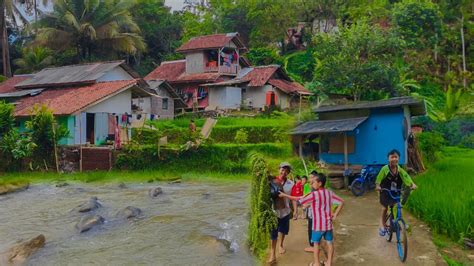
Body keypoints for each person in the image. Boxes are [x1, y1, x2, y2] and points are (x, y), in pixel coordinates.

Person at [280, 174, 344, 266]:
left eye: (313, 182)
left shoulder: (314, 195)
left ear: (320, 183)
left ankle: (316, 263)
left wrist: (284, 195)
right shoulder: (329, 193)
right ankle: (329, 263)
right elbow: (342, 201)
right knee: (330, 243)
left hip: (318, 226)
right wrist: (335, 215)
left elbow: (299, 199)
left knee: (316, 244)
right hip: (328, 225)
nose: (311, 183)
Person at [376, 149, 417, 236]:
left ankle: (397, 221)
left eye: (396, 157)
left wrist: (412, 184)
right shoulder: (385, 169)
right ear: (388, 159)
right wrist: (378, 186)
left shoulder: (400, 169)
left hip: (395, 191)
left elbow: (406, 178)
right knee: (384, 208)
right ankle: (382, 226)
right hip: (385, 191)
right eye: (392, 157)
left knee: (397, 206)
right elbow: (378, 180)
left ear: (398, 158)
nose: (394, 159)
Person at [268, 162, 294, 264]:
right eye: (282, 170)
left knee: (283, 231)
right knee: (273, 233)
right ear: (279, 170)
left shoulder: (291, 184)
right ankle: (272, 254)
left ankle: (281, 245)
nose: (283, 172)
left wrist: (295, 211)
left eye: (286, 171)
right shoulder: (271, 181)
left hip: (285, 211)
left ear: (288, 173)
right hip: (274, 212)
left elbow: (293, 199)